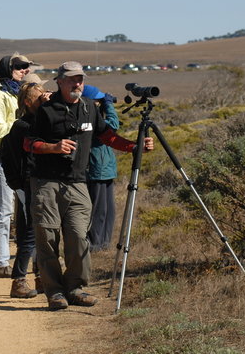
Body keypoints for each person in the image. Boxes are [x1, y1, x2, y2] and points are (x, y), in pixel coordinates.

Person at [25, 61, 154, 310]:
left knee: (77, 237)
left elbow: (107, 136)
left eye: (81, 79)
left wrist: (134, 147)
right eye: (72, 79)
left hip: (78, 183)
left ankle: (75, 288)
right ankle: (54, 292)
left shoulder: (89, 108)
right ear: (60, 82)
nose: (78, 84)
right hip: (46, 182)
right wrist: (53, 147)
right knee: (48, 238)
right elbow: (28, 143)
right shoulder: (46, 110)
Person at [0, 52, 35, 277]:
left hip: (16, 157)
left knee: (26, 208)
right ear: (7, 68)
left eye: (27, 66)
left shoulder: (13, 93)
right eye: (20, 66)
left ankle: (25, 258)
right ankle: (0, 263)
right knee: (4, 212)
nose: (26, 70)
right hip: (2, 156)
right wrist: (20, 128)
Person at [3, 79, 51, 298]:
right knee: (30, 233)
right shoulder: (24, 126)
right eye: (41, 97)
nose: (46, 99)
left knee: (41, 230)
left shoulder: (31, 122)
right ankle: (19, 280)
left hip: (35, 183)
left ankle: (41, 278)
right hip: (26, 185)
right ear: (31, 102)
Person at [82, 84, 121, 252]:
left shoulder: (96, 115)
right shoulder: (88, 118)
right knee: (99, 209)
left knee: (109, 209)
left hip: (105, 168)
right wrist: (109, 105)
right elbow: (112, 126)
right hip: (96, 168)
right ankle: (95, 243)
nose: (100, 103)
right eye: (98, 100)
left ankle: (104, 243)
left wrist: (105, 105)